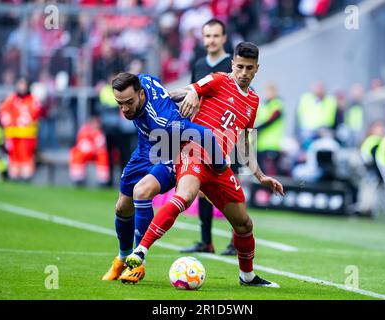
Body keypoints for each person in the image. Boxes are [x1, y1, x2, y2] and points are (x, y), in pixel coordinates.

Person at [122, 42, 285, 288]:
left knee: (244, 224)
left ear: (256, 69)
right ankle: (140, 252)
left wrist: (260, 175)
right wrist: (186, 93)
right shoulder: (219, 79)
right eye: (239, 66)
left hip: (219, 166)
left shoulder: (253, 101)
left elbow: (245, 142)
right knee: (184, 196)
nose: (243, 72)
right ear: (232, 64)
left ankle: (247, 277)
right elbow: (182, 92)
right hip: (194, 152)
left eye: (249, 68)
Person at [102, 72, 227, 281]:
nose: (124, 109)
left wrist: (220, 165)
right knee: (122, 206)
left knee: (141, 192)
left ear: (141, 94)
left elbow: (204, 134)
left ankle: (137, 263)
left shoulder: (164, 121)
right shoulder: (142, 78)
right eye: (119, 103)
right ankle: (122, 258)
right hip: (144, 149)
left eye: (129, 103)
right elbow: (161, 90)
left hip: (169, 152)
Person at [180, 18, 237, 256]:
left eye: (215, 36)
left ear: (224, 38)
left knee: (230, 187)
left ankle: (237, 240)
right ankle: (206, 241)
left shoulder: (232, 65)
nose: (211, 40)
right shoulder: (199, 64)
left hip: (227, 133)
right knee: (203, 185)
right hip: (203, 133)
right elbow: (195, 94)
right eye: (207, 36)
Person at [0, 77, 42, 181]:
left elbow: (33, 114)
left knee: (25, 157)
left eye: (23, 85)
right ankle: (14, 177)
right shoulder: (12, 98)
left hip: (26, 136)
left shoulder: (32, 99)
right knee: (13, 157)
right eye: (19, 84)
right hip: (12, 134)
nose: (21, 87)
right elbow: (3, 110)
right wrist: (7, 119)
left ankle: (26, 177)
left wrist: (21, 120)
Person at [255, 83, 286, 176]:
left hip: (273, 144)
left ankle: (272, 190)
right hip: (261, 144)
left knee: (271, 171)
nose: (268, 94)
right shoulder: (263, 105)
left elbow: (271, 119)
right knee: (261, 171)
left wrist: (257, 128)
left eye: (271, 91)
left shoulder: (277, 104)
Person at [69, 116, 110, 187]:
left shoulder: (99, 133)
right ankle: (78, 179)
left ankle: (103, 180)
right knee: (77, 154)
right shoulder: (84, 131)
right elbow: (82, 144)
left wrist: (95, 149)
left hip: (96, 153)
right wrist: (91, 148)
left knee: (103, 155)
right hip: (85, 152)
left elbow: (101, 144)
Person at [297, 82, 337, 149]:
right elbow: (299, 117)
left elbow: (332, 118)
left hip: (324, 131)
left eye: (320, 89)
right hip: (307, 131)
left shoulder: (330, 101)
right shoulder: (306, 99)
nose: (319, 91)